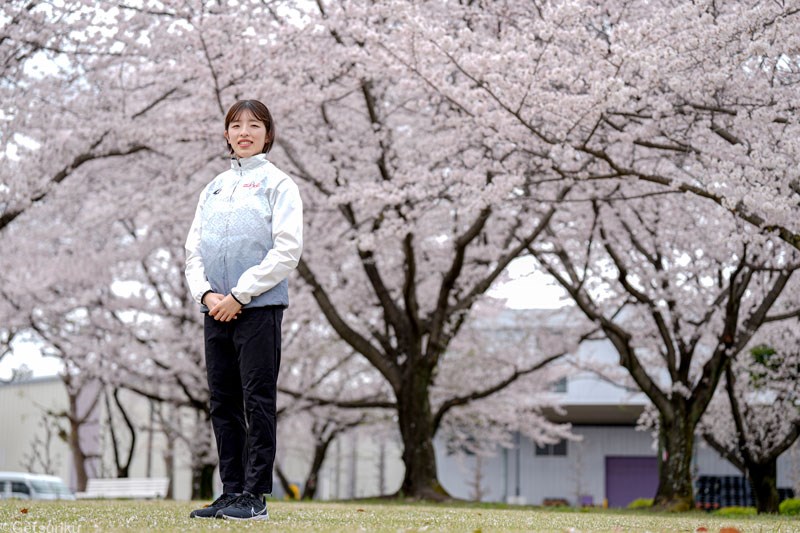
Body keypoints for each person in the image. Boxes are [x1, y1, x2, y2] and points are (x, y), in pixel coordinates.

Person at [185, 99, 303, 520]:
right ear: (226, 134)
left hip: (259, 308)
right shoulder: (213, 187)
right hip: (215, 310)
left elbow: (287, 250)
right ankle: (230, 490)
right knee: (222, 402)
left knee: (257, 400)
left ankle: (255, 496)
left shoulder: (279, 184)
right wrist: (207, 296)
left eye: (254, 125)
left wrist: (241, 294)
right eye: (236, 125)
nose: (244, 132)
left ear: (267, 134)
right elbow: (193, 250)